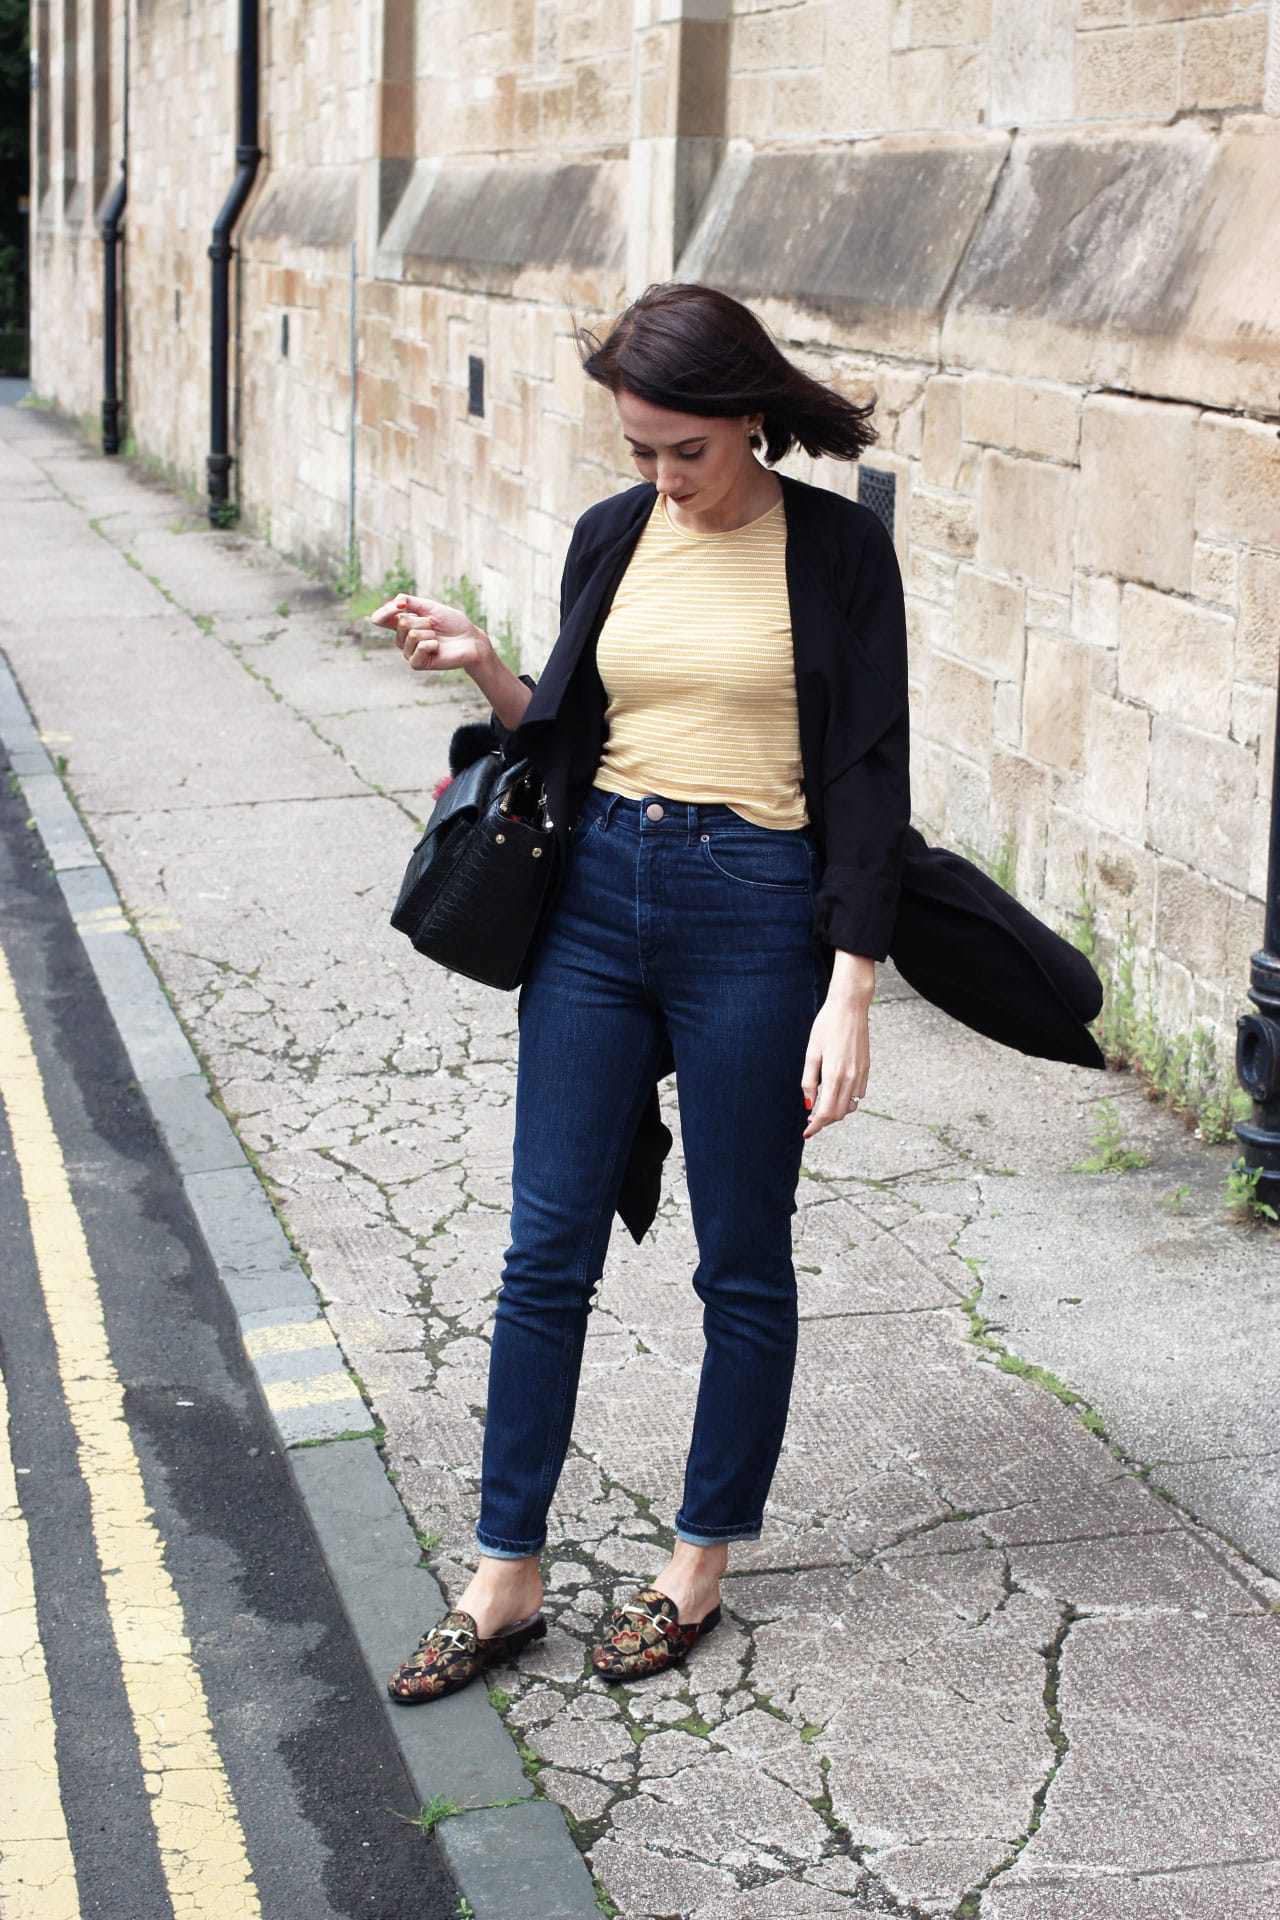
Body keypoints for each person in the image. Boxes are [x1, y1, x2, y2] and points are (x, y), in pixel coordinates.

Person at [372, 281, 911, 1701]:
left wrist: (849, 986)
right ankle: (505, 1575)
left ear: (750, 417)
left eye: (687, 450)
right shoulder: (614, 536)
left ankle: (699, 1563)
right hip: (597, 902)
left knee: (740, 1256)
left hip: (756, 915)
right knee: (545, 1247)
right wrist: (486, 663)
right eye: (640, 452)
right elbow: (561, 738)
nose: (663, 481)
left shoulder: (840, 554)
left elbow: (868, 780)